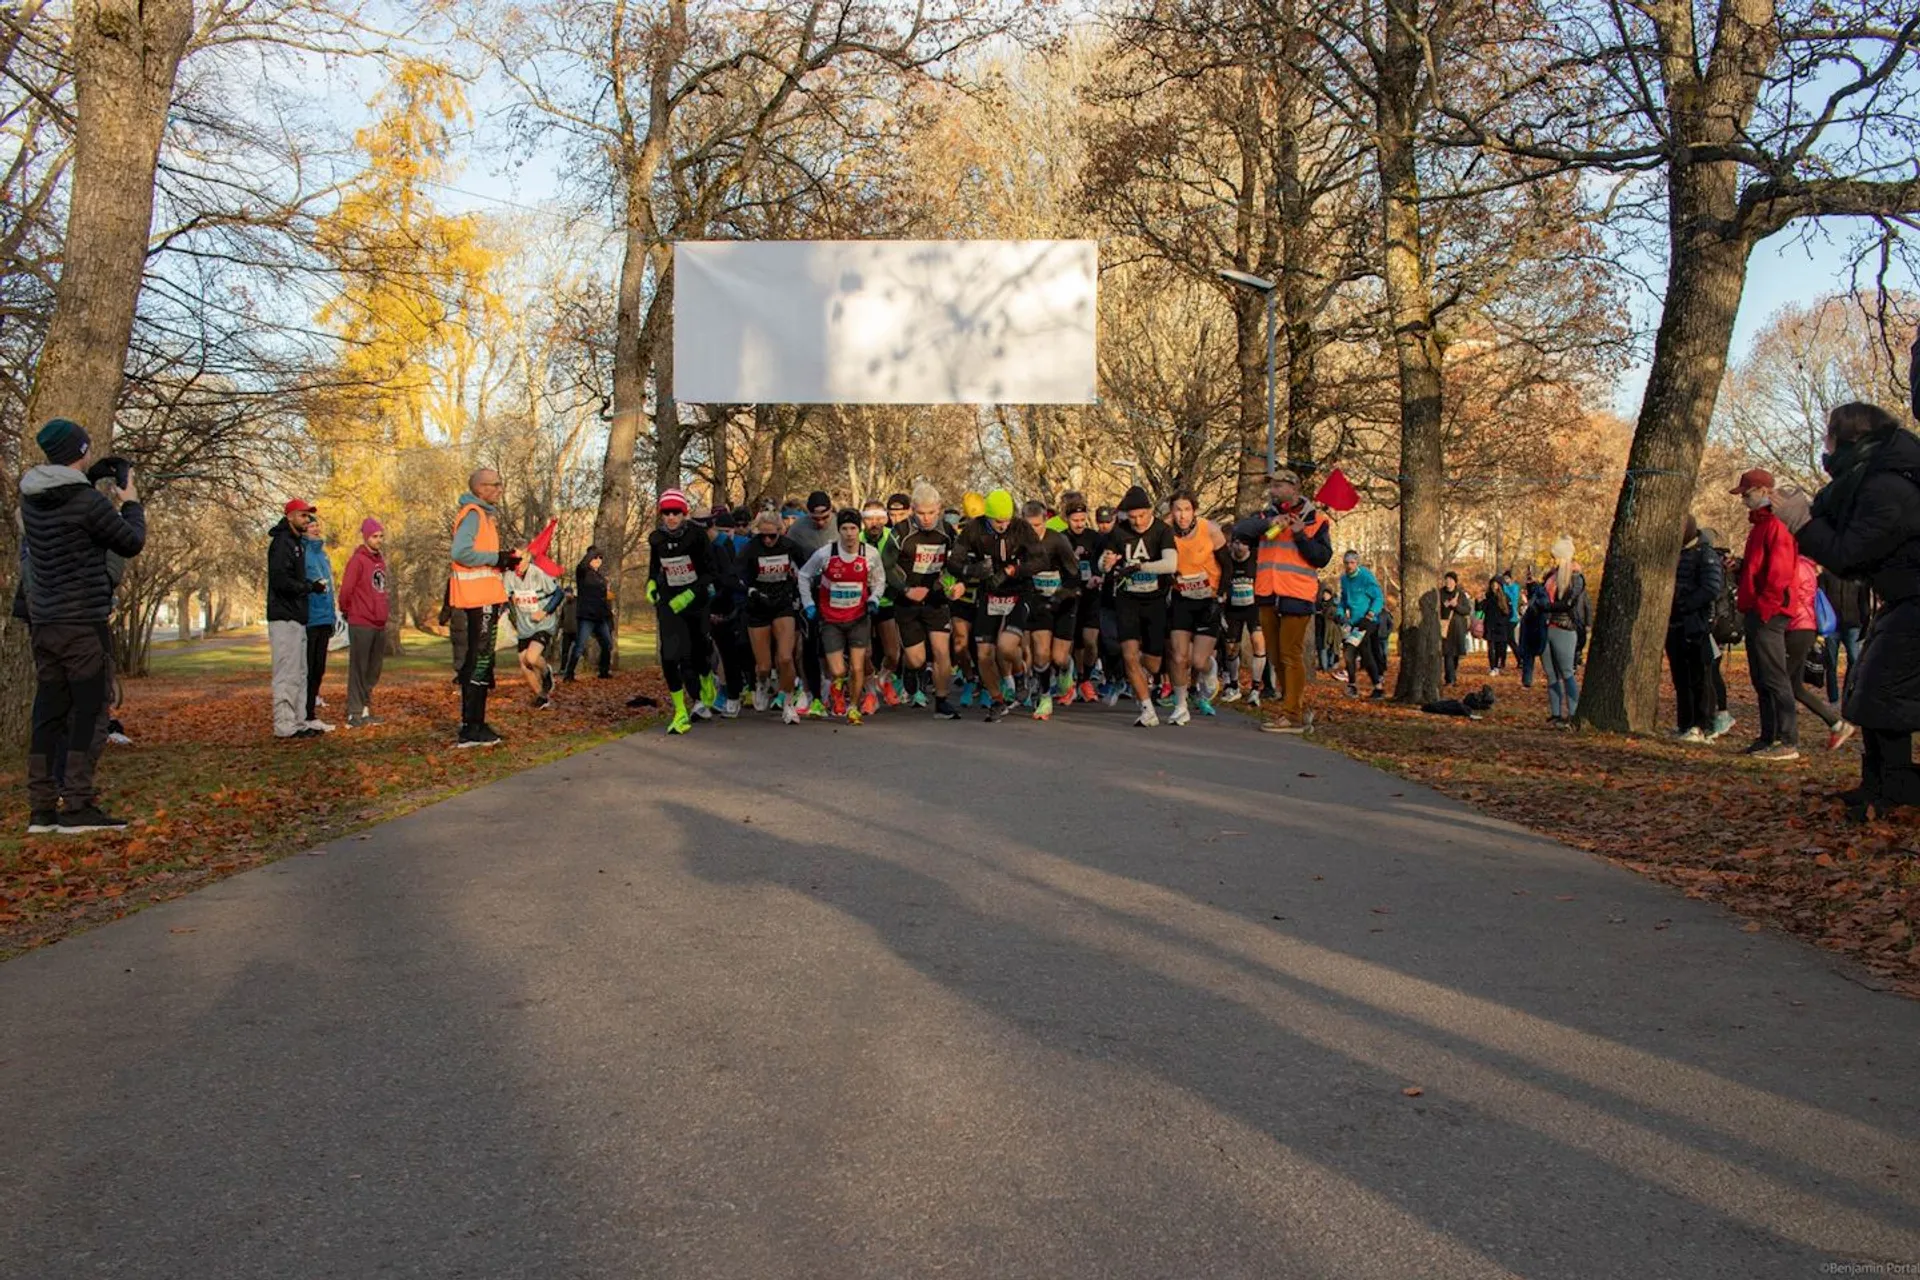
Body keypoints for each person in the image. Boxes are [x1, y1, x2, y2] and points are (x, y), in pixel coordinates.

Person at [1797, 395, 1920, 821]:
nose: (1825, 447)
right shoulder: (1870, 480)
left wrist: (1803, 524)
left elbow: (1849, 554)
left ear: (1850, 438)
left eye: (1829, 437)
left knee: (1884, 691)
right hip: (1904, 596)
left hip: (1915, 598)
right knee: (1871, 688)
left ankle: (1895, 791)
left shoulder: (1887, 487)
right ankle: (1879, 785)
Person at [21, 416, 146, 832]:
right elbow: (130, 541)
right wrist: (130, 501)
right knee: (90, 712)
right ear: (79, 451)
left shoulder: (32, 500)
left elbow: (71, 523)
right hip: (83, 621)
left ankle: (41, 809)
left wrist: (89, 483)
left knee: (49, 712)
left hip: (45, 622)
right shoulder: (87, 503)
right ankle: (76, 805)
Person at [1235, 470, 1332, 733]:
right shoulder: (1267, 516)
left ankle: (1293, 715)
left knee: (1291, 654)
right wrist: (1270, 524)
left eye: (1278, 486)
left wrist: (1301, 534)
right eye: (1272, 486)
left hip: (1297, 594)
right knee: (1276, 657)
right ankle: (1295, 709)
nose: (1273, 491)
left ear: (1294, 488)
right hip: (1268, 593)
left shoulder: (1316, 519)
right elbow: (1240, 531)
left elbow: (1321, 558)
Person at [449, 468, 523, 748]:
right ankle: (471, 727)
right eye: (495, 484)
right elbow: (461, 553)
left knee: (482, 661)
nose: (500, 489)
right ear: (480, 488)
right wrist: (497, 558)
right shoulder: (473, 514)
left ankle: (476, 722)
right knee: (479, 662)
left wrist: (506, 560)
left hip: (486, 599)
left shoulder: (485, 516)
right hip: (476, 600)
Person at [1732, 468, 1801, 760]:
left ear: (1762, 492)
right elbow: (1757, 570)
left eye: (1746, 494)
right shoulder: (1760, 527)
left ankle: (1787, 739)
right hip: (1758, 609)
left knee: (1774, 676)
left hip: (1769, 612)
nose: (1743, 500)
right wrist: (1738, 568)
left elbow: (1779, 573)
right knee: (1761, 677)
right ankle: (1768, 735)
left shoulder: (1776, 525)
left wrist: (1765, 607)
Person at [953, 489, 1038, 723]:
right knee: (983, 655)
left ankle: (1020, 675)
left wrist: (1014, 570)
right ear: (987, 517)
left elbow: (1041, 560)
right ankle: (997, 700)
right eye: (997, 521)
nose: (1003, 525)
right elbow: (954, 562)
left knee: (1006, 646)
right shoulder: (974, 529)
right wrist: (971, 571)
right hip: (989, 593)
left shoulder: (1021, 528)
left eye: (1006, 520)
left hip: (1018, 592)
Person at [798, 509, 887, 723]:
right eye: (844, 529)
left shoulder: (870, 553)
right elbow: (803, 575)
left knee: (857, 666)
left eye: (853, 528)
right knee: (838, 670)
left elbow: (879, 580)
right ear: (839, 531)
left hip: (858, 618)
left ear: (859, 530)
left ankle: (853, 708)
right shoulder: (826, 553)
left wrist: (874, 598)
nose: (849, 533)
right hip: (831, 620)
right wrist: (809, 604)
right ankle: (838, 686)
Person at [887, 482, 962, 720]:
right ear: (912, 511)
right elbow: (885, 567)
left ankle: (941, 701)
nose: (927, 518)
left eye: (931, 513)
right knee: (916, 658)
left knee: (941, 651)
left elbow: (957, 564)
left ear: (939, 509)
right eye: (921, 513)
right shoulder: (900, 532)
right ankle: (911, 671)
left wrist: (957, 583)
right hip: (907, 602)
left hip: (936, 599)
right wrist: (906, 589)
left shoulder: (948, 532)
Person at [647, 489, 717, 734]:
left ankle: (707, 679)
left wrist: (691, 593)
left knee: (698, 652)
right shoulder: (656, 539)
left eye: (676, 512)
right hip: (669, 601)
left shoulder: (697, 536)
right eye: (666, 513)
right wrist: (652, 585)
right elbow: (655, 567)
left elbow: (710, 572)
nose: (671, 517)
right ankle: (680, 712)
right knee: (670, 656)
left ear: (684, 513)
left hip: (695, 600)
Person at [741, 510, 810, 724]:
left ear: (781, 532)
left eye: (772, 535)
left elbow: (806, 570)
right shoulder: (750, 549)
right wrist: (751, 591)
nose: (768, 540)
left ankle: (788, 703)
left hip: (783, 605)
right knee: (763, 666)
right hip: (758, 607)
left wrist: (798, 589)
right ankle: (762, 682)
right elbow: (737, 576)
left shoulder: (789, 547)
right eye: (763, 536)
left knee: (786, 657)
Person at [1164, 492, 1225, 724]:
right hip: (1181, 598)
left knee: (1198, 661)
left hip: (1207, 599)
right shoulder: (1166, 532)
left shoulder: (1209, 529)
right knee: (1179, 657)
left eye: (1187, 509)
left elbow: (1226, 563)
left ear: (1194, 510)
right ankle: (1180, 706)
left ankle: (1210, 670)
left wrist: (1220, 596)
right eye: (1177, 509)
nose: (1182, 515)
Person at [268, 499, 327, 740]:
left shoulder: (297, 544)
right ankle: (284, 724)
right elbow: (280, 581)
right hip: (284, 616)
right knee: (287, 672)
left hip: (299, 616)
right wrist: (308, 587)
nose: (307, 520)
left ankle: (299, 720)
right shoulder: (282, 543)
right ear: (291, 516)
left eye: (308, 516)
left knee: (301, 672)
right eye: (303, 516)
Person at [1023, 498, 1083, 719]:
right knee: (1040, 652)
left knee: (1058, 657)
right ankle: (1045, 696)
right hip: (1039, 602)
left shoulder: (1058, 541)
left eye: (1037, 526)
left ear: (1045, 521)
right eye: (1028, 527)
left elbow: (1074, 576)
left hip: (1064, 601)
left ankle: (1068, 667)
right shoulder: (1020, 544)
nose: (1033, 531)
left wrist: (1060, 595)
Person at [1665, 516, 1723, 742]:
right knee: (1680, 676)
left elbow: (1710, 588)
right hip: (1675, 624)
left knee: (1699, 676)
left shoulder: (1704, 554)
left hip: (1695, 623)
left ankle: (1703, 724)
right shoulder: (1676, 555)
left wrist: (1684, 604)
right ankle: (1685, 722)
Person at [338, 517, 390, 728]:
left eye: (380, 536)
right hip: (361, 621)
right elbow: (346, 590)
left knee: (373, 669)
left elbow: (381, 589)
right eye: (375, 536)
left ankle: (366, 709)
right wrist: (348, 610)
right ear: (366, 537)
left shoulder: (380, 561)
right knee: (359, 668)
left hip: (379, 622)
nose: (378, 540)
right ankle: (354, 712)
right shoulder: (357, 560)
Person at [1540, 537, 1585, 728]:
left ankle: (1573, 713)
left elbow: (1569, 603)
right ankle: (1556, 713)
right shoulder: (1550, 576)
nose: (1553, 561)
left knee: (1567, 672)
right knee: (1550, 673)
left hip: (1564, 628)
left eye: (1555, 557)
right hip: (1546, 627)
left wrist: (1547, 607)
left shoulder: (1575, 577)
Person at [1217, 530, 1264, 704]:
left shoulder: (1255, 559)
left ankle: (1255, 689)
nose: (1240, 547)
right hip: (1233, 609)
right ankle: (1234, 686)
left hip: (1253, 608)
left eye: (1244, 543)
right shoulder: (1227, 560)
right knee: (1231, 648)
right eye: (1236, 542)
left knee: (1258, 644)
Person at [302, 515, 337, 731]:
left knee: (319, 669)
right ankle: (304, 713)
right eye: (311, 526)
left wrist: (332, 616)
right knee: (307, 668)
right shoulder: (302, 553)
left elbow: (330, 588)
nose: (315, 529)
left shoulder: (323, 556)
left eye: (317, 525)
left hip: (324, 617)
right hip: (309, 618)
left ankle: (311, 713)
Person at [1337, 549, 1386, 698]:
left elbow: (1378, 598)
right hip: (1354, 622)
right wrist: (1340, 614)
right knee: (1356, 652)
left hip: (1368, 620)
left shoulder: (1365, 576)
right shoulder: (1344, 579)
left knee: (1354, 649)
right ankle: (1365, 686)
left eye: (1352, 563)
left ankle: (1374, 687)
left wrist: (1370, 614)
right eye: (1347, 563)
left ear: (1357, 563)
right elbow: (1344, 600)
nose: (1349, 566)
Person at [1818, 567, 1869, 705]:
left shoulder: (1859, 577)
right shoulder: (1826, 575)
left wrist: (1865, 625)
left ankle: (1848, 694)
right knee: (1831, 663)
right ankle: (1833, 699)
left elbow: (1864, 602)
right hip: (1831, 625)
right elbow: (1820, 601)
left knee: (1854, 660)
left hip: (1853, 624)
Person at [568, 546, 614, 680]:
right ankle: (569, 673)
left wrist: (609, 614)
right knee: (580, 646)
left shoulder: (600, 577)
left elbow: (604, 597)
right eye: (596, 558)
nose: (598, 561)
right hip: (586, 616)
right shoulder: (582, 572)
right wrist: (594, 551)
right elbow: (583, 563)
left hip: (600, 616)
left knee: (607, 644)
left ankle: (603, 671)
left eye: (600, 559)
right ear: (589, 559)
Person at [1439, 571, 1473, 687]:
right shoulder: (1440, 594)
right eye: (1446, 580)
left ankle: (1452, 676)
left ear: (1455, 582)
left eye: (1450, 580)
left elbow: (1467, 610)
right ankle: (1450, 679)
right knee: (1448, 653)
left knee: (1456, 654)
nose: (1448, 582)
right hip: (1446, 628)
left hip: (1458, 628)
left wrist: (1456, 605)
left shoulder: (1460, 595)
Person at [1516, 564, 1546, 688]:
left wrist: (1529, 604)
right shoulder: (1524, 591)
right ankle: (1527, 681)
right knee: (1527, 655)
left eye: (1531, 576)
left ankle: (1551, 678)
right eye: (1528, 576)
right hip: (1527, 626)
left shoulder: (1540, 591)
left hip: (1538, 626)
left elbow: (1542, 606)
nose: (1529, 578)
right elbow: (1519, 608)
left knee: (1542, 652)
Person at [1481, 575, 1512, 676]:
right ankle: (1492, 667)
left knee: (1501, 648)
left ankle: (1498, 665)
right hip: (1490, 626)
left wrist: (1504, 622)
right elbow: (1481, 609)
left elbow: (1509, 612)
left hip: (1501, 627)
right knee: (1491, 648)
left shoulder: (1505, 597)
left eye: (1496, 584)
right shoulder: (1488, 596)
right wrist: (1479, 601)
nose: (1494, 586)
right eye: (1493, 584)